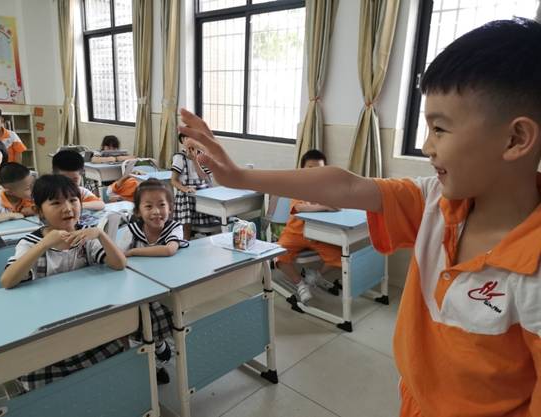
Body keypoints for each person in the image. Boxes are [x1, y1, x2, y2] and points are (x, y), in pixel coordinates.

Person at [178, 19, 541, 417]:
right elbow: (347, 185)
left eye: (439, 129)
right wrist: (240, 177)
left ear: (515, 139)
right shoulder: (436, 201)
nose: (426, 146)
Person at [0, 174, 127, 391]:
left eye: (73, 200)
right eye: (56, 203)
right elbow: (7, 281)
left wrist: (100, 235)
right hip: (45, 329)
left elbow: (119, 264)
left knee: (112, 353)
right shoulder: (29, 243)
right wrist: (44, 244)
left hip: (84, 320)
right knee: (47, 382)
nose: (67, 208)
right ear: (40, 211)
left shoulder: (84, 237)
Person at [118, 178, 188, 384]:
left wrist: (133, 252)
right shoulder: (131, 231)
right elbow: (119, 258)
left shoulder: (174, 227)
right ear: (138, 211)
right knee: (136, 325)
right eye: (148, 206)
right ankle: (151, 358)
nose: (156, 211)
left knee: (158, 322)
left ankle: (157, 354)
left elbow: (169, 249)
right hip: (137, 290)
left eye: (161, 205)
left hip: (166, 290)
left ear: (170, 208)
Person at [276, 149, 340, 304]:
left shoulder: (327, 188)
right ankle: (300, 284)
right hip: (294, 233)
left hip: (319, 235)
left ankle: (315, 276)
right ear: (302, 169)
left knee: (341, 257)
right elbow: (299, 207)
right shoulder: (298, 186)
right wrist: (324, 207)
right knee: (278, 255)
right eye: (310, 168)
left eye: (319, 169)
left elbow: (337, 206)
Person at [170, 133, 218, 240]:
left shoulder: (203, 156)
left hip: (202, 194)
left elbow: (205, 178)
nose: (190, 141)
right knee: (186, 224)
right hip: (186, 195)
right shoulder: (179, 157)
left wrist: (195, 160)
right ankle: (186, 240)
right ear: (182, 141)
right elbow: (173, 180)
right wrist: (185, 189)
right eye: (186, 138)